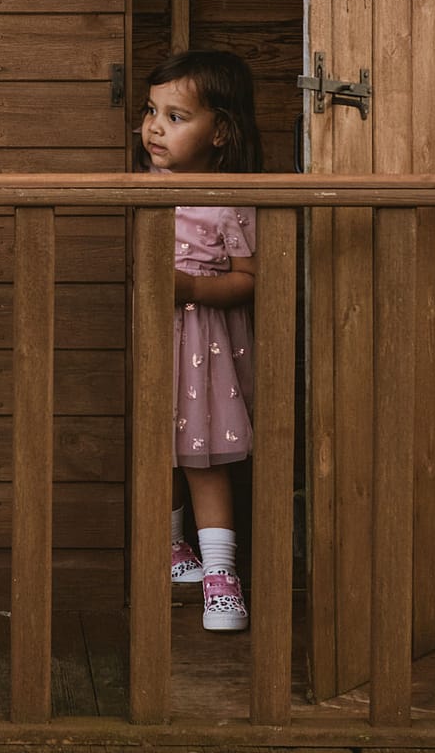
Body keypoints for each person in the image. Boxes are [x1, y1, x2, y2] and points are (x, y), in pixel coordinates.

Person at [139, 49, 261, 633]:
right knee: (155, 449)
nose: (155, 127)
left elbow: (248, 279)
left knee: (203, 458)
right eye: (151, 111)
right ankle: (172, 552)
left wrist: (189, 285)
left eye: (177, 116)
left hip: (204, 347)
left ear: (221, 132)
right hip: (154, 338)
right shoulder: (144, 185)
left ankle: (221, 576)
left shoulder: (227, 196)